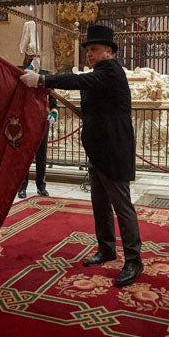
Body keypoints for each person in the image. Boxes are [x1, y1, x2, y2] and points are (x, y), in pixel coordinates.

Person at [20, 24, 143, 287]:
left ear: (108, 51)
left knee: (122, 207)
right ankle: (106, 248)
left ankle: (134, 260)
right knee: (100, 203)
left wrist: (43, 80)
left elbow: (79, 81)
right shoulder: (99, 73)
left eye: (94, 49)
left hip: (114, 150)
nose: (89, 53)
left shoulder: (110, 71)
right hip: (98, 150)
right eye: (88, 49)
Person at [18, 64, 58, 199]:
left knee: (42, 156)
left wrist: (53, 113)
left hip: (42, 121)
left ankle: (41, 186)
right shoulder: (25, 74)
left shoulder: (45, 76)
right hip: (27, 121)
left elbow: (53, 101)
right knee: (25, 156)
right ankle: (22, 187)